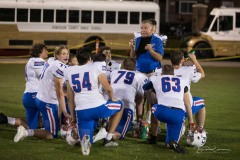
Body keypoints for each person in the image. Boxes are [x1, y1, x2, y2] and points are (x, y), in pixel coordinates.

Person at [65, 47, 124, 156]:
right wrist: (111, 99)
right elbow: (109, 89)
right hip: (99, 107)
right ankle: (108, 138)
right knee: (120, 106)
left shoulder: (69, 71)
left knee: (87, 137)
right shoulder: (95, 66)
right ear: (89, 57)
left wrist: (73, 117)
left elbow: (70, 98)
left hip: (81, 111)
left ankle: (86, 141)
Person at [13, 45, 71, 142]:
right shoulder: (58, 66)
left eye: (67, 53)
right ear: (57, 55)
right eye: (63, 54)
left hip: (41, 98)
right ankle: (26, 132)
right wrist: (65, 112)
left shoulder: (51, 60)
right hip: (48, 102)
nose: (66, 56)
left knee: (52, 127)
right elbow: (60, 92)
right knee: (52, 134)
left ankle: (39, 129)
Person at [143, 64, 194, 154]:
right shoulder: (182, 81)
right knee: (169, 144)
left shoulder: (156, 78)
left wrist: (154, 87)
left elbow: (145, 87)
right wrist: (190, 121)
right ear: (173, 73)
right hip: (179, 114)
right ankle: (172, 142)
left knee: (154, 108)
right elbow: (187, 103)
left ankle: (154, 137)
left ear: (162, 72)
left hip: (162, 112)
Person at [93, 58, 148, 142]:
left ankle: (105, 128)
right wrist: (139, 119)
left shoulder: (114, 72)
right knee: (119, 134)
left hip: (111, 104)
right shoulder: (140, 76)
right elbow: (141, 98)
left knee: (111, 128)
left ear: (123, 65)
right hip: (126, 107)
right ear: (135, 66)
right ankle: (106, 134)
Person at [0, 43, 48, 129]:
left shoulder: (31, 61)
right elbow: (43, 77)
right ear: (39, 52)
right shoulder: (38, 61)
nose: (47, 52)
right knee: (54, 112)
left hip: (28, 95)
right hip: (36, 95)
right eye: (45, 50)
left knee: (31, 128)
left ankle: (7, 119)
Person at [129, 19, 164, 124]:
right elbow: (133, 57)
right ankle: (138, 119)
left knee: (151, 98)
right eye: (141, 28)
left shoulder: (157, 41)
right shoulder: (138, 39)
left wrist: (151, 50)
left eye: (145, 28)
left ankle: (149, 116)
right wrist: (131, 48)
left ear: (152, 29)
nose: (142, 30)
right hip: (139, 73)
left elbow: (159, 58)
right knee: (139, 97)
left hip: (151, 73)